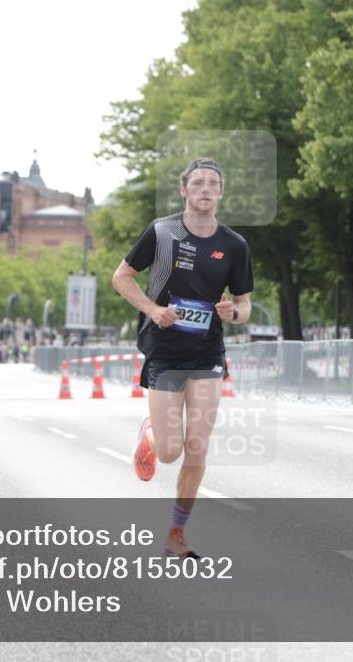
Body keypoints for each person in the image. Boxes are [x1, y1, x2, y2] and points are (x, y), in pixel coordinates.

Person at [111, 158, 254, 559]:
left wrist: (234, 314)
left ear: (221, 192)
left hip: (207, 351)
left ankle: (176, 534)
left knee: (198, 444)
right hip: (165, 350)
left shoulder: (234, 245)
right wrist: (153, 310)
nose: (206, 189)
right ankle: (152, 435)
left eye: (213, 183)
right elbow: (121, 277)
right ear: (185, 190)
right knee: (171, 450)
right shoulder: (162, 232)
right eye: (198, 183)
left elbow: (244, 305)